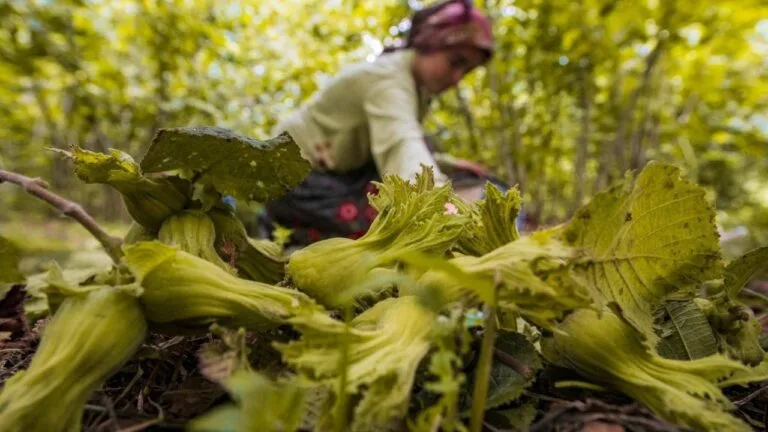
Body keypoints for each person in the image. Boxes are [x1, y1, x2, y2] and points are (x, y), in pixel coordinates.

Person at [259, 0, 498, 246]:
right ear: (429, 43)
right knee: (389, 224)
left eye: (466, 70)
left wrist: (448, 164)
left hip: (339, 172)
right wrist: (443, 208)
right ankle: (290, 230)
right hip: (295, 181)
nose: (457, 78)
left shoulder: (414, 87)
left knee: (420, 161)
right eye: (455, 62)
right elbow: (400, 145)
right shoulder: (388, 80)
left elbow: (401, 142)